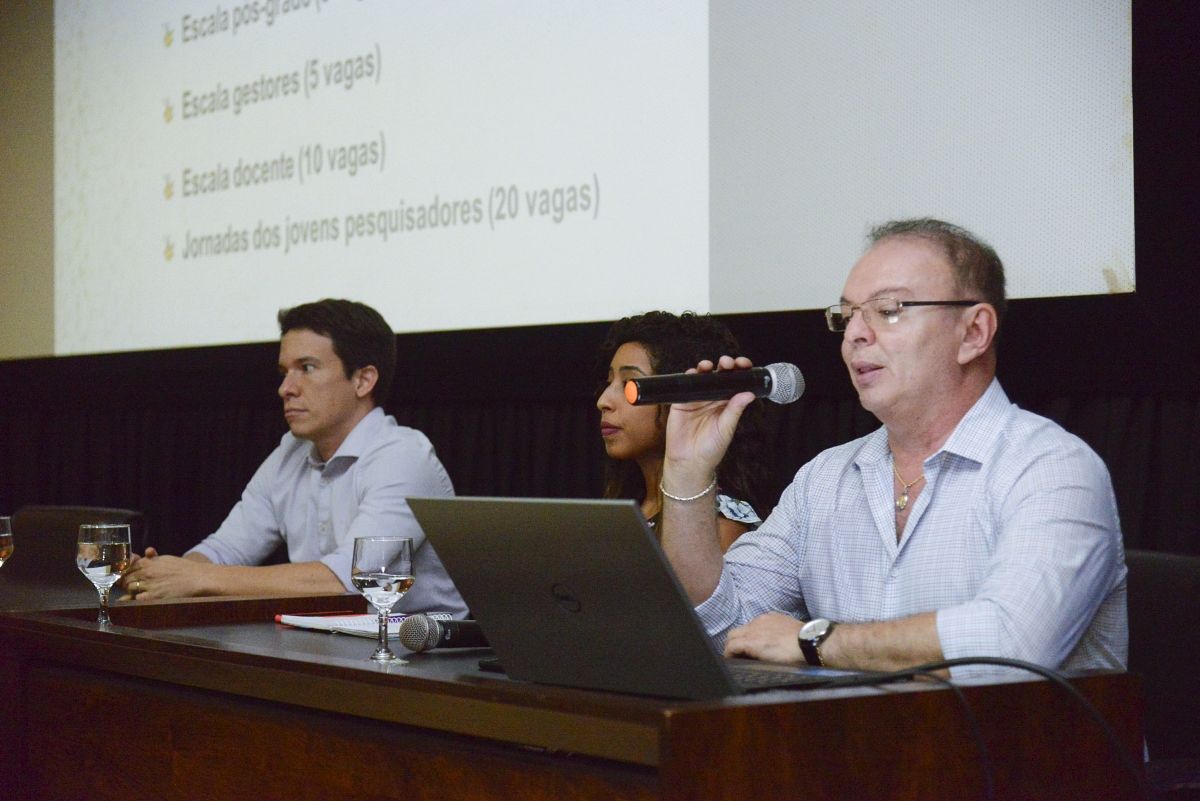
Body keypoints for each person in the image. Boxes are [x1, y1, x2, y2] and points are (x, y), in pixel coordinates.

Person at [658, 219, 1127, 674]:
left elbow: (1011, 646)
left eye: (888, 311)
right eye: (847, 316)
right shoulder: (824, 479)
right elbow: (721, 633)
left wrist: (817, 640)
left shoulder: (1051, 467)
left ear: (974, 333)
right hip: (860, 751)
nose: (855, 335)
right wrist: (686, 469)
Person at [122, 299, 467, 616]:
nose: (286, 388)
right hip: (323, 646)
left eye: (307, 368)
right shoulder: (290, 452)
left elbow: (346, 582)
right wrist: (165, 576)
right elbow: (225, 551)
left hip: (418, 659)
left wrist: (198, 577)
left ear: (363, 380)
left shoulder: (403, 456)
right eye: (285, 371)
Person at [596, 311, 766, 551]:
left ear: (684, 395)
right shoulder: (625, 508)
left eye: (629, 384)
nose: (603, 401)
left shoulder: (718, 524)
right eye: (608, 382)